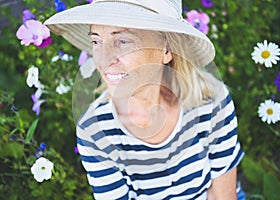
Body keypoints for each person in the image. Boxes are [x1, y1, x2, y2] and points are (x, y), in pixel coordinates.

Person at [45, 0, 244, 199]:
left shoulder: (210, 101)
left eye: (122, 41)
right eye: (96, 41)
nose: (104, 59)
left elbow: (222, 196)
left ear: (166, 50)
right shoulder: (95, 130)